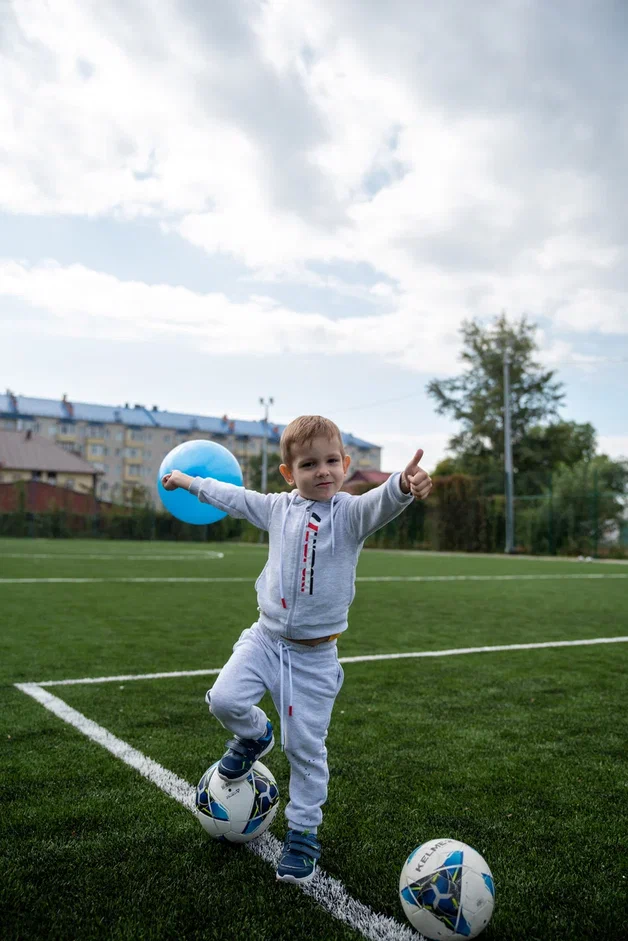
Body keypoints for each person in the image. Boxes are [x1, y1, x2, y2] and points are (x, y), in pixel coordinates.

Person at [162, 415, 432, 884]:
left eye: (332, 461)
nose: (323, 471)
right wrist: (186, 480)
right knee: (224, 699)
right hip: (265, 639)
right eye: (310, 464)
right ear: (290, 473)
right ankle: (253, 735)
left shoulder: (348, 515)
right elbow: (229, 496)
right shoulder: (275, 508)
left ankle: (303, 835)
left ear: (346, 464)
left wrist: (404, 485)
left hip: (314, 659)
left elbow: (381, 502)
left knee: (305, 750)